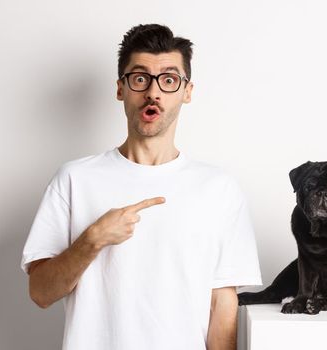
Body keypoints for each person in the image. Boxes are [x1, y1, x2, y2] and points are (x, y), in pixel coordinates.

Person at [20, 23, 263, 350]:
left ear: (187, 91)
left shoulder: (218, 189)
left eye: (168, 79)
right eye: (140, 78)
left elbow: (222, 306)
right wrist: (91, 240)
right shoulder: (74, 179)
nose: (153, 92)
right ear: (121, 88)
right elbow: (41, 293)